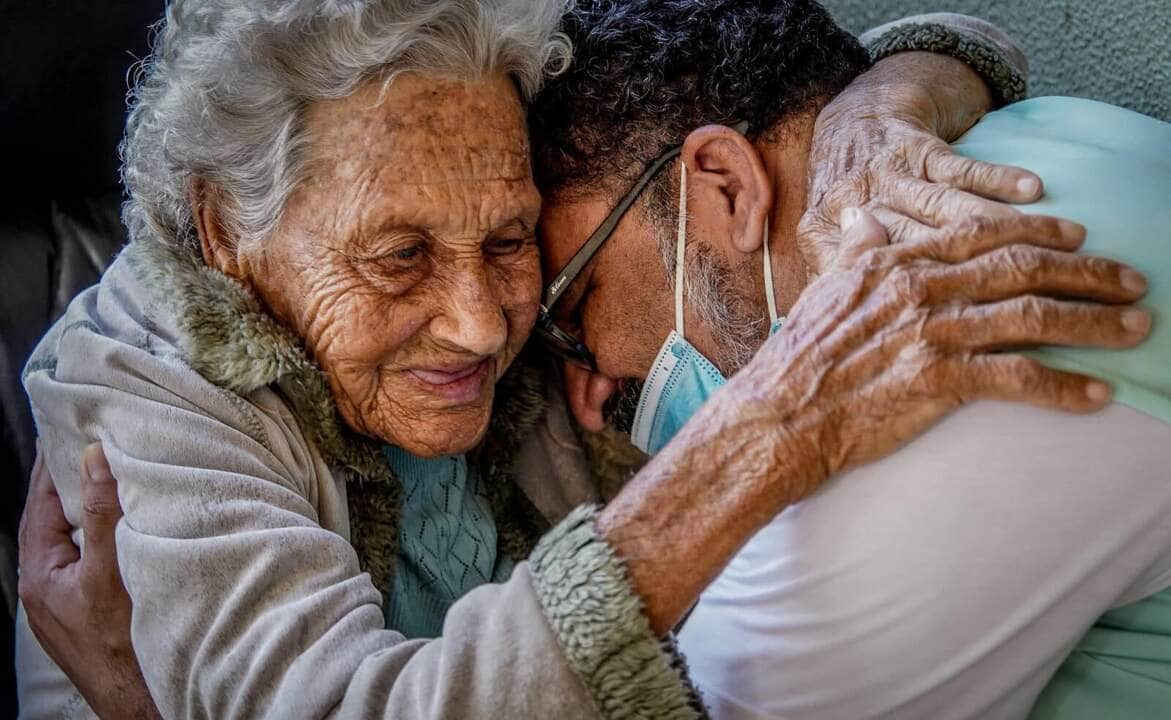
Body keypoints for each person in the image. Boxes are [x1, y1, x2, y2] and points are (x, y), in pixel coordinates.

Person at [14, 1, 1148, 719]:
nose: (481, 325)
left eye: (512, 244)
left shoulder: (492, 237)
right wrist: (767, 431)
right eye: (399, 256)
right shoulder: (146, 395)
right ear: (223, 231)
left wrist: (902, 80)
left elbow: (763, 103)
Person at [527, 1, 1171, 717]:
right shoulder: (1053, 135)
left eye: (576, 307)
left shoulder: (934, 370)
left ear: (726, 186)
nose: (588, 397)